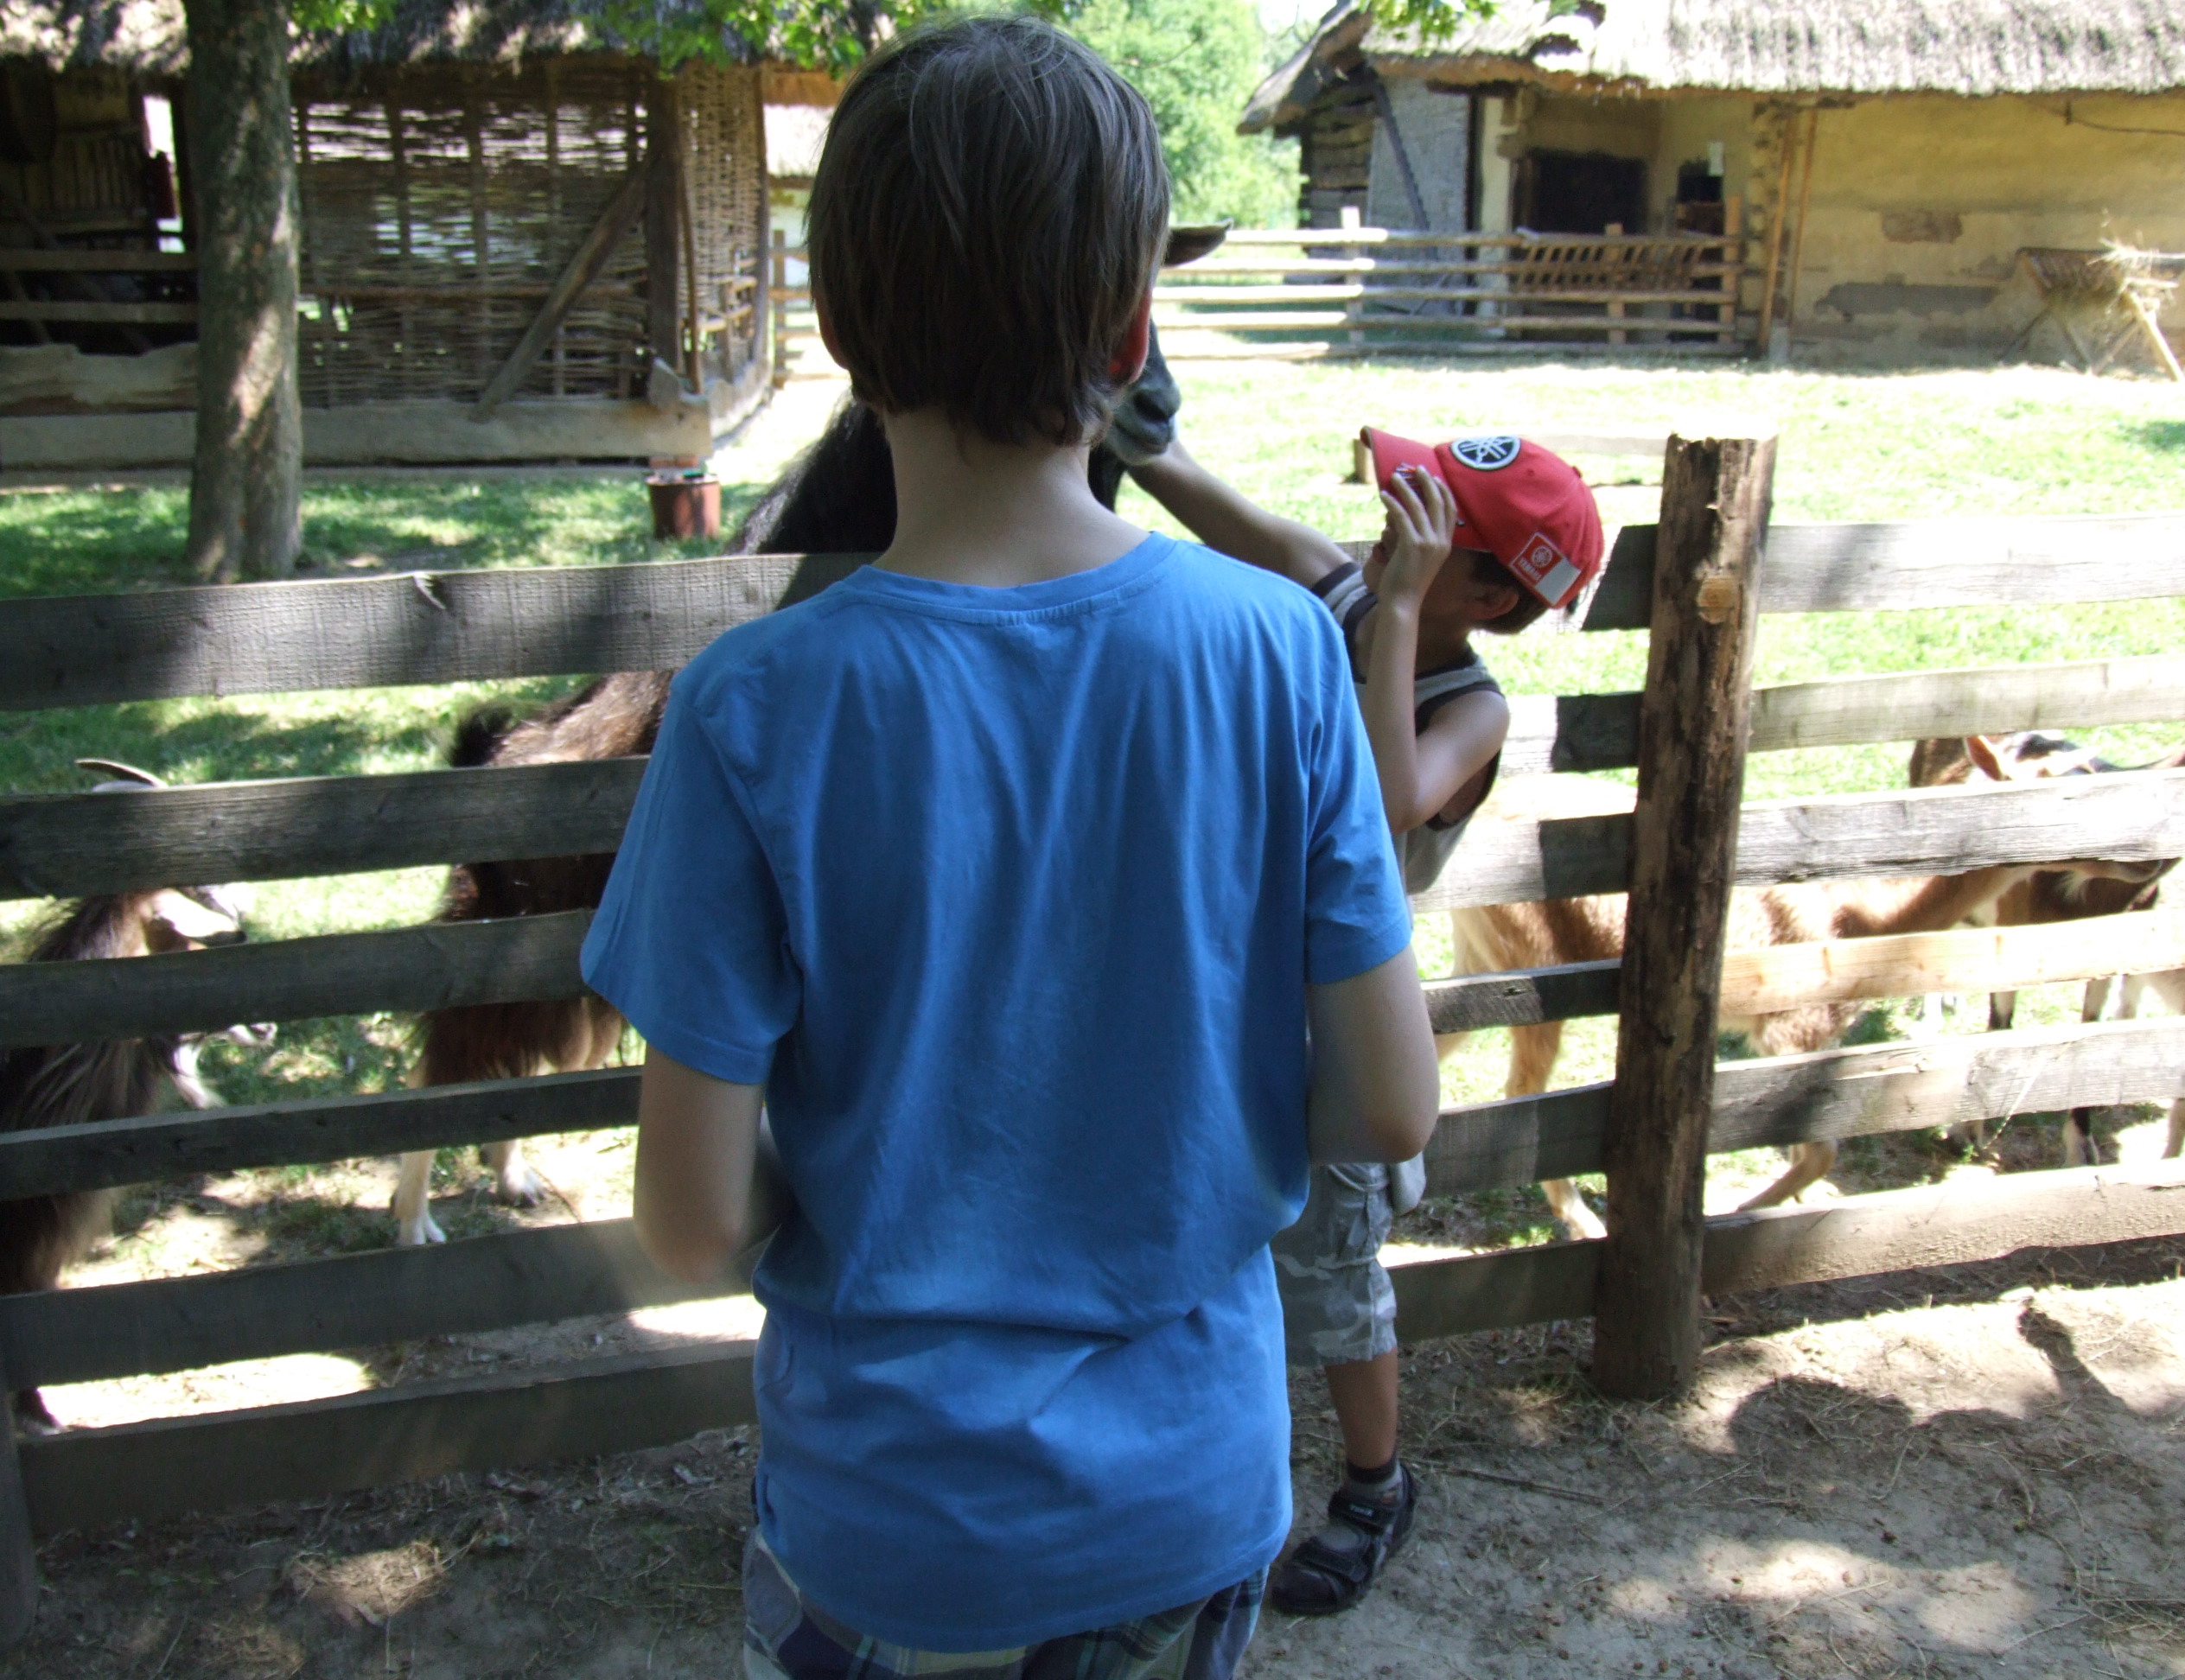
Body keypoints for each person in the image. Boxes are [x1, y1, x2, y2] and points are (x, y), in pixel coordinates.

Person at [580, 16, 1441, 1677]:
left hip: (889, 1524)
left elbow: (688, 1221)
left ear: (838, 331)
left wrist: (889, 1192)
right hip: (1190, 1501)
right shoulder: (1278, 652)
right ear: (1132, 332)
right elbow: (1390, 1106)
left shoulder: (753, 708)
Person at [1131, 425, 1604, 1615]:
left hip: (1341, 1027)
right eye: (1408, 501)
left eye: (1433, 522)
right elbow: (1214, 502)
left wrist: (1393, 611)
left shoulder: (1472, 707)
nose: (1396, 524)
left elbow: (1384, 801)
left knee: (1333, 1263)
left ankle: (1375, 1486)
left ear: (1490, 594)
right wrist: (1135, 427)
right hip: (1227, 985)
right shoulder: (1350, 592)